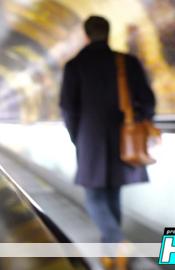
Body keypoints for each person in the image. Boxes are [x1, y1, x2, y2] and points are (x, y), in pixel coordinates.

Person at [59, 16, 155, 270]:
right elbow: (148, 101)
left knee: (94, 195)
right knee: (112, 195)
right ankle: (111, 254)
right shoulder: (128, 62)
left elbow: (68, 108)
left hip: (90, 137)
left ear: (86, 36)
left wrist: (76, 136)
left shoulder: (75, 65)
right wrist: (137, 122)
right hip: (125, 136)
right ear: (109, 33)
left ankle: (117, 242)